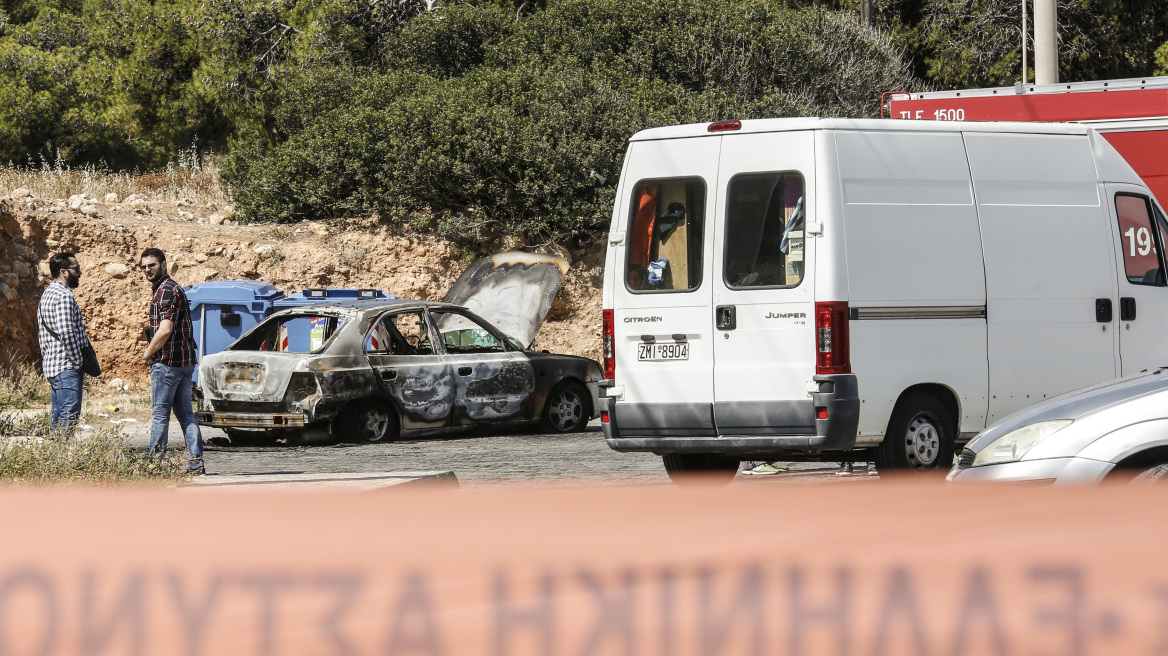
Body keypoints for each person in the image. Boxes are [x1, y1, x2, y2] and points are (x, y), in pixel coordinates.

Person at [140, 248, 205, 474]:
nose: (147, 270)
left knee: (160, 415)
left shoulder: (166, 290)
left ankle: (154, 466)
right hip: (185, 362)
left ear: (164, 265)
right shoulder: (172, 288)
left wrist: (148, 354)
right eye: (144, 267)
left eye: (152, 265)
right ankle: (196, 464)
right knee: (186, 414)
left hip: (168, 363)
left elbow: (165, 329)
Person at [37, 252, 91, 438]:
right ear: (64, 272)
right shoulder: (63, 296)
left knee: (58, 414)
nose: (80, 272)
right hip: (66, 366)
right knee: (69, 415)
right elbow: (67, 333)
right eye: (76, 269)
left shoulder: (48, 293)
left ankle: (55, 457)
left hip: (53, 365)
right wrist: (77, 362)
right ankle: (62, 455)